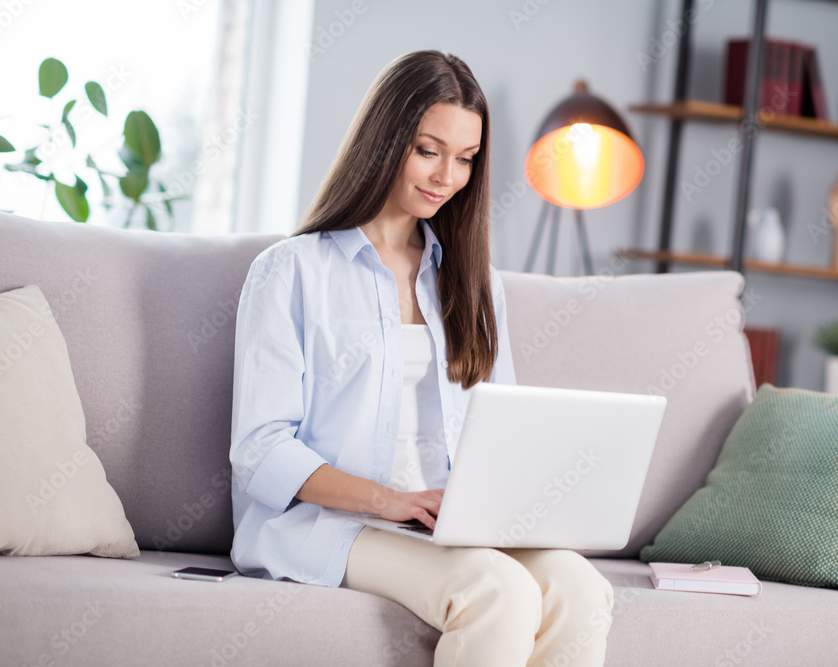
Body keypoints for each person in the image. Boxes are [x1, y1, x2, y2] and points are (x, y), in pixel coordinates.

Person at [229, 49, 614, 666]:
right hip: (330, 524)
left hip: (448, 524)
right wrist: (391, 501)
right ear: (385, 141)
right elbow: (261, 449)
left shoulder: (473, 282)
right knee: (498, 591)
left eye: (465, 159)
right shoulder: (292, 271)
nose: (446, 176)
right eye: (428, 151)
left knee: (583, 591)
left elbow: (506, 427)